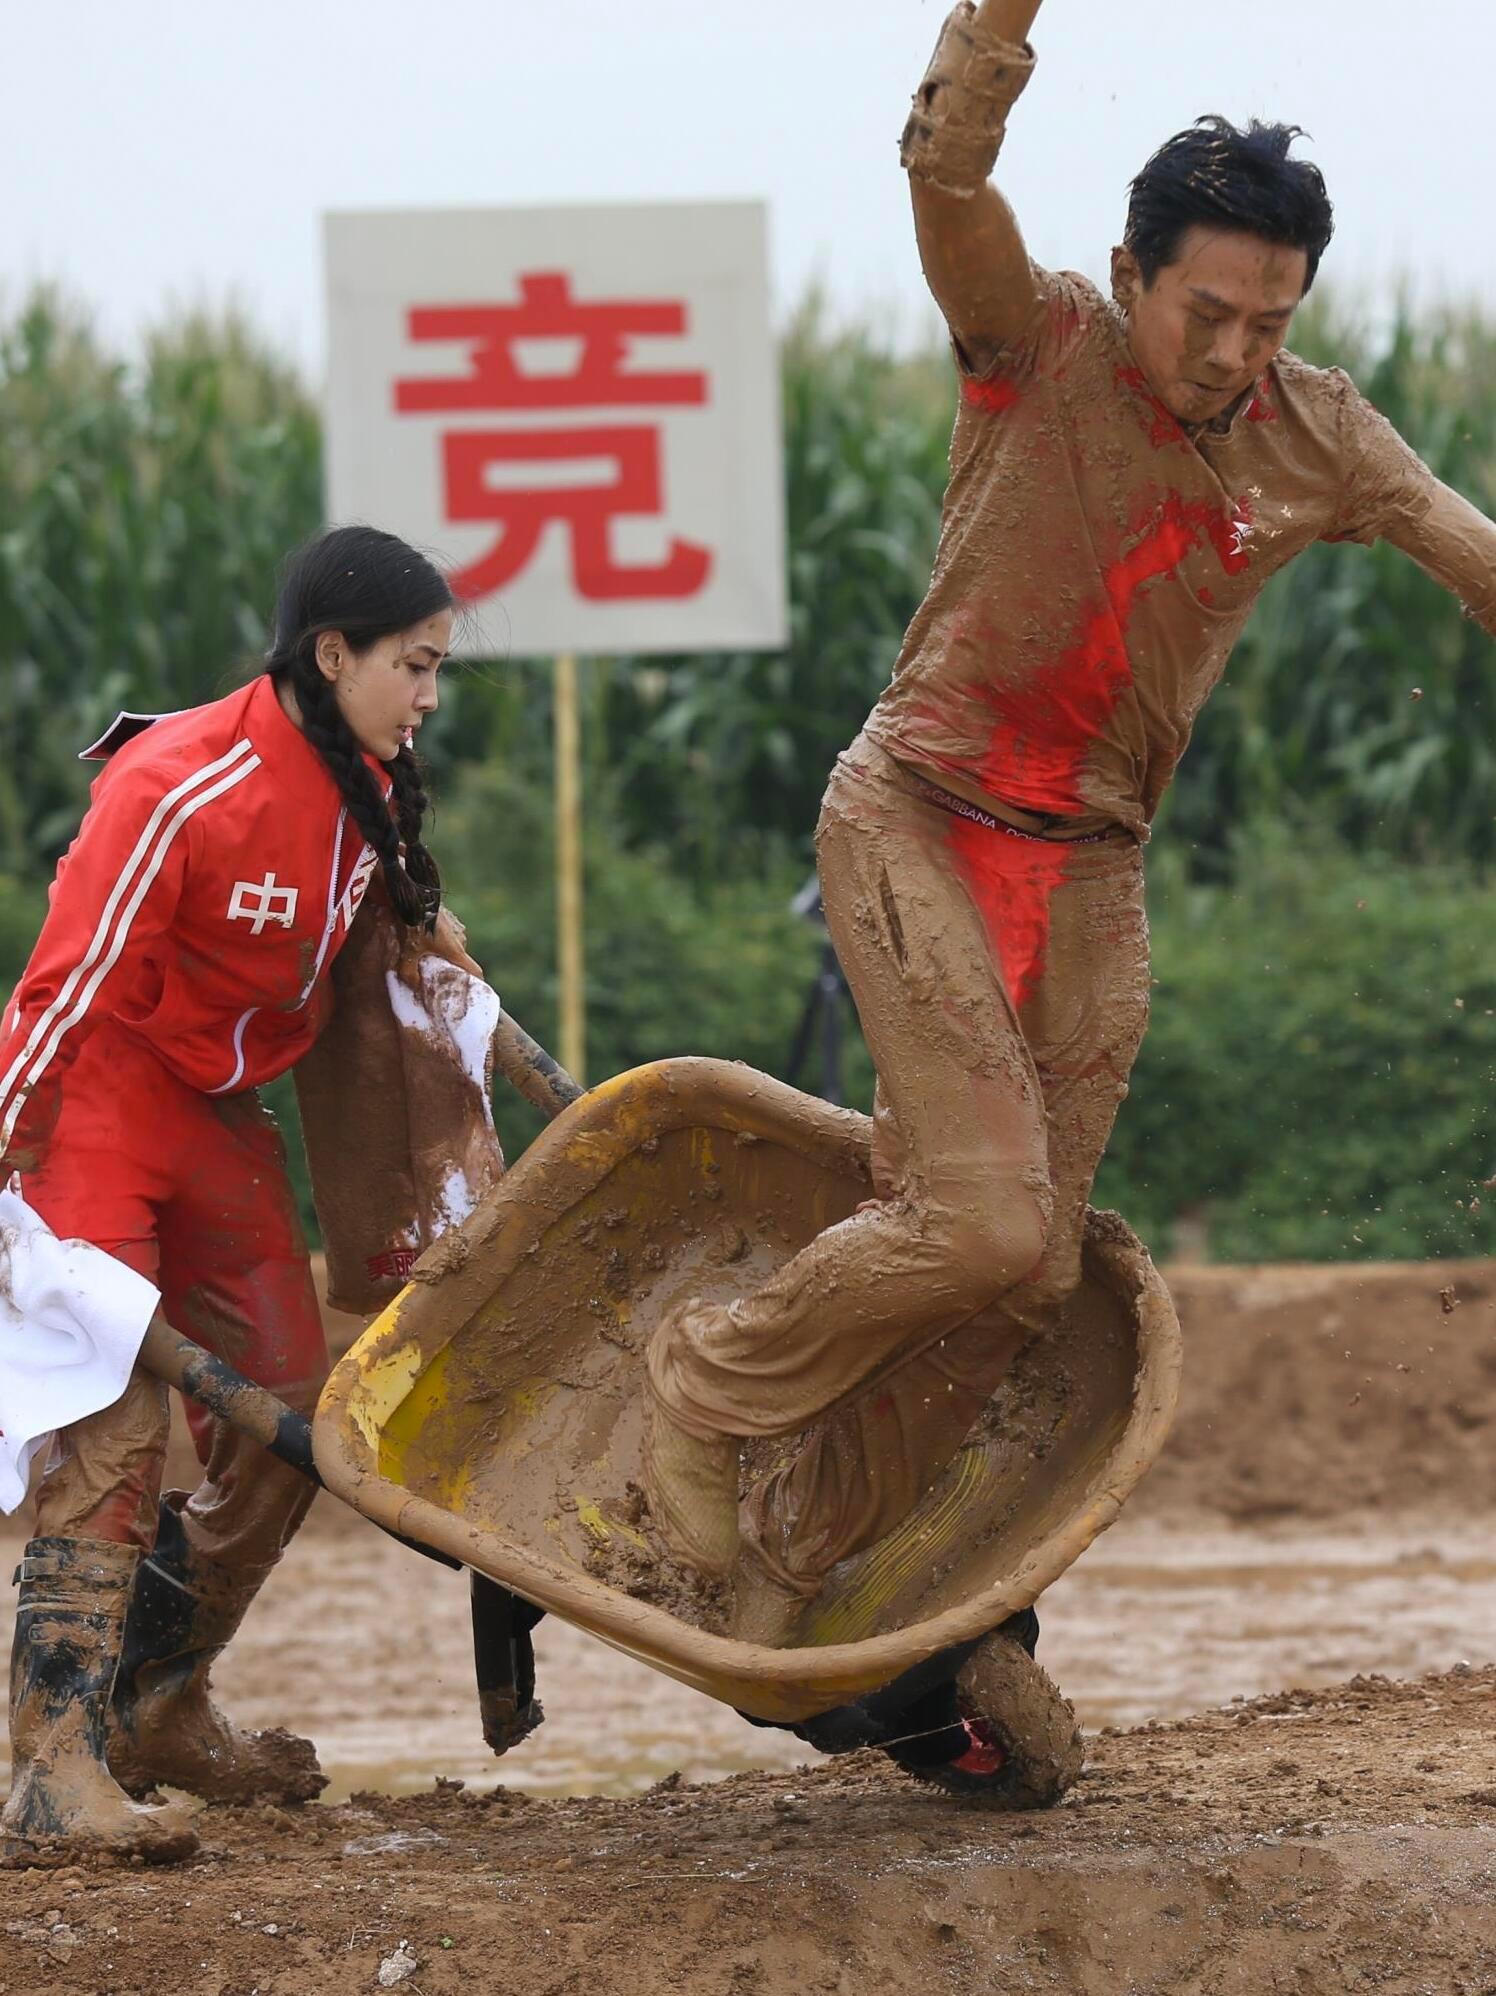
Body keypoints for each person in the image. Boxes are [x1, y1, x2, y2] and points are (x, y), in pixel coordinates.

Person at [644, 0, 1496, 1629]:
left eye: (1268, 322)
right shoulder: (1036, 339)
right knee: (979, 1219)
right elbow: (946, 182)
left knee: (1028, 1277)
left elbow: (1477, 555)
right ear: (1129, 275)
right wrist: (998, 27)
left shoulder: (1322, 435)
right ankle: (705, 1382)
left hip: (1092, 869)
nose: (1233, 353)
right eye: (1207, 313)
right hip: (918, 816)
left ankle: (807, 1562)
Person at [0, 525, 454, 1862]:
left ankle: (158, 1700)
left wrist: (440, 957)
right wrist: (9, 1154)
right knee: (116, 1407)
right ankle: (50, 1762)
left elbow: (374, 944)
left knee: (288, 1408)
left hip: (217, 1115)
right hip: (95, 1100)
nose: (430, 695)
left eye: (439, 669)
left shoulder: (372, 785)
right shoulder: (178, 784)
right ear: (335, 655)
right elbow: (62, 988)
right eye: (416, 665)